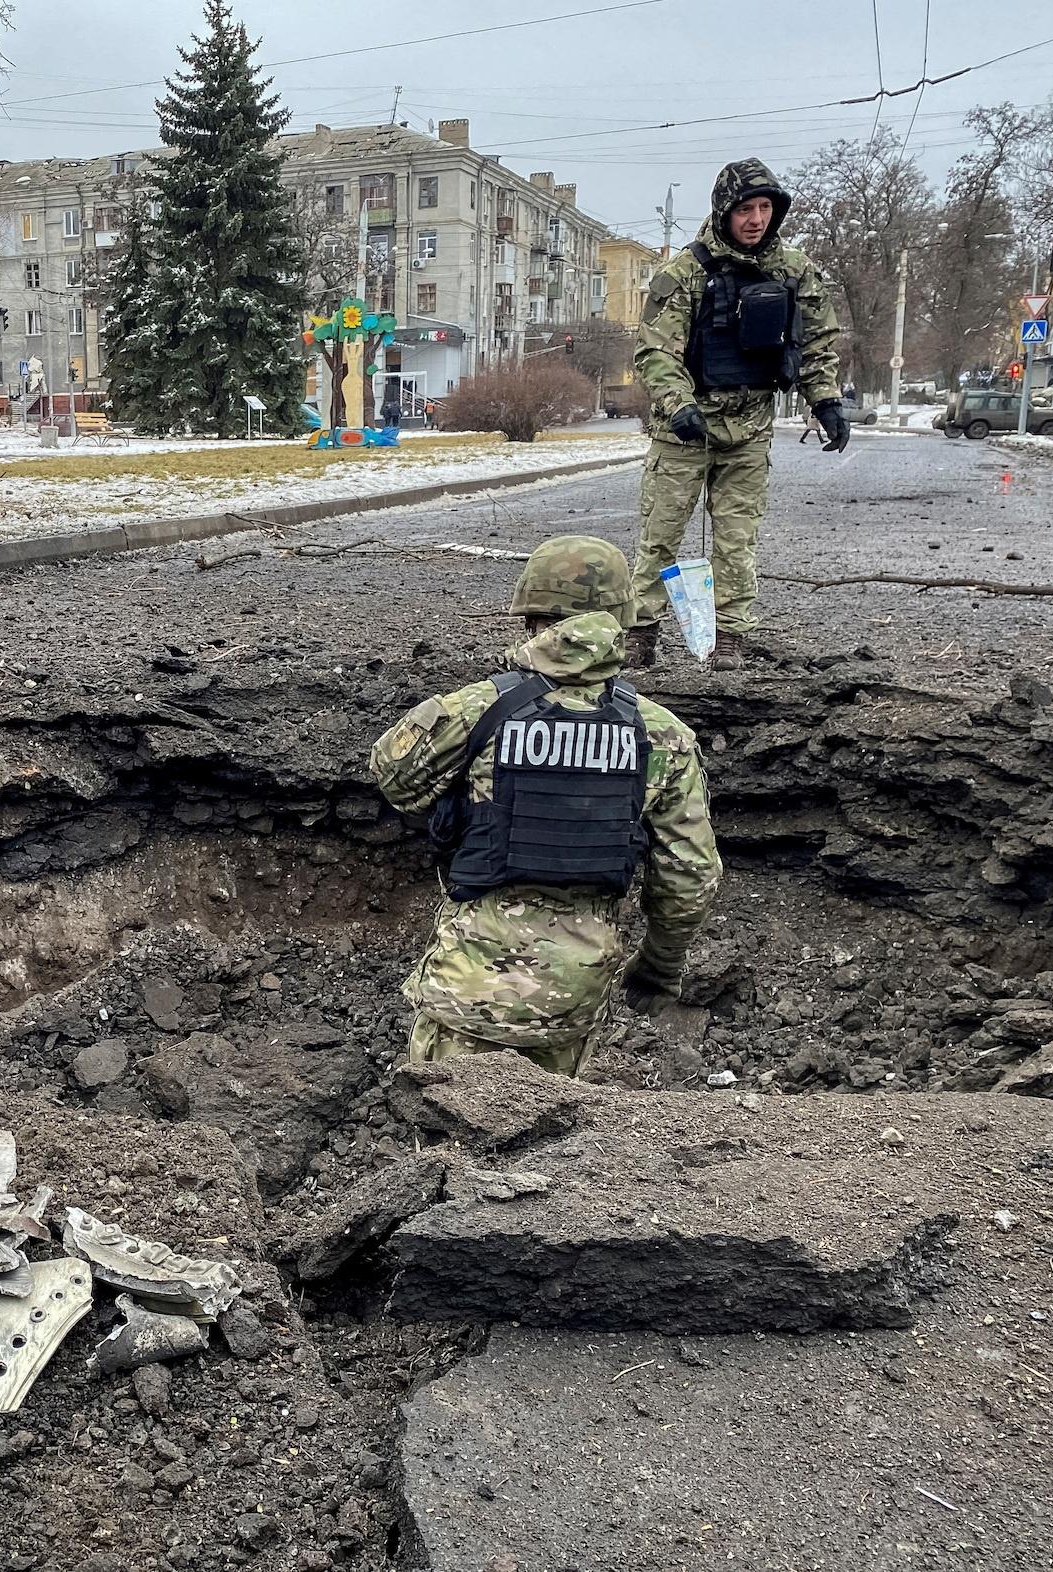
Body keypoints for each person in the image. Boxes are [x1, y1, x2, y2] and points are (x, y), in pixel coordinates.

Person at [370, 535, 722, 1077]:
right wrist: (658, 968)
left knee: (438, 1148)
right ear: (622, 623)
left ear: (532, 618)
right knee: (551, 1148)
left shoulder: (478, 709)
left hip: (466, 987)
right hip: (573, 1000)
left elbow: (394, 779)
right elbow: (689, 878)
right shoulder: (661, 735)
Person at [627, 158, 844, 667]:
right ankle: (641, 631)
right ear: (725, 211)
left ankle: (730, 637)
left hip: (749, 427)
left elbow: (817, 343)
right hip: (685, 429)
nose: (756, 218)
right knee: (660, 535)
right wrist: (678, 404)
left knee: (737, 537)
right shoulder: (684, 272)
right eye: (745, 208)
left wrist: (826, 400)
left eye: (766, 207)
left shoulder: (793, 270)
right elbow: (655, 350)